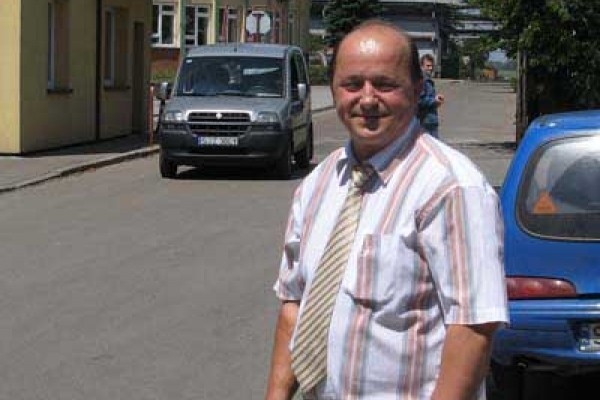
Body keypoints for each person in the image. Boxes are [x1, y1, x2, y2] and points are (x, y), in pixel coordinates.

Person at [265, 19, 508, 400]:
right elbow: (295, 302)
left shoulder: (452, 188)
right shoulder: (319, 183)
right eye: (352, 84)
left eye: (384, 84)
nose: (367, 98)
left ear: (417, 89)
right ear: (334, 89)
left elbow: (474, 328)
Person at [417, 53, 445, 138]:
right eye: (428, 66)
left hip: (431, 121)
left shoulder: (428, 81)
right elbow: (419, 100)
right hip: (425, 122)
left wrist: (437, 99)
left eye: (432, 66)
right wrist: (434, 101)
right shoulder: (421, 81)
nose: (431, 68)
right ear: (421, 66)